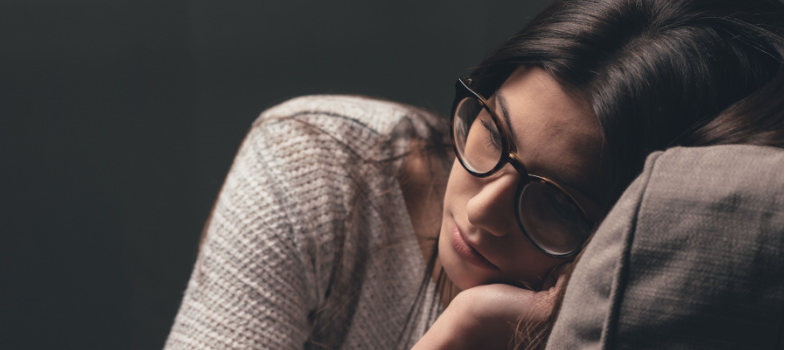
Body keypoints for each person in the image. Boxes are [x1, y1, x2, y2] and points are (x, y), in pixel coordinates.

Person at [164, 0, 783, 349]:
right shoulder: (323, 163)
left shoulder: (636, 311)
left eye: (558, 204)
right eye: (495, 131)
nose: (482, 210)